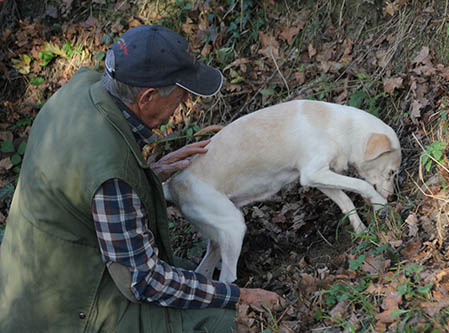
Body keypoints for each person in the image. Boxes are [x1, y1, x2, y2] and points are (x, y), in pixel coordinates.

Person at [0, 24, 283, 332]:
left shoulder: (80, 90)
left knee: (190, 276)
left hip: (26, 286)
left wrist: (149, 173)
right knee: (230, 322)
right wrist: (239, 296)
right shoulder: (110, 176)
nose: (184, 103)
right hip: (63, 316)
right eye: (181, 94)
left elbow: (85, 187)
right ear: (147, 98)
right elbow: (143, 281)